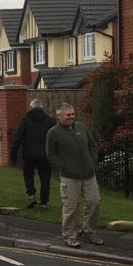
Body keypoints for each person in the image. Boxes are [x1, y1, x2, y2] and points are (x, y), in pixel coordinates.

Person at [46, 103, 103, 249]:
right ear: (59, 116)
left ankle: (88, 231)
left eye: (73, 114)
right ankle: (69, 236)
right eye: (68, 115)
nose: (72, 117)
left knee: (94, 203)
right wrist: (66, 168)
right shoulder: (53, 133)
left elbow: (93, 145)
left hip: (89, 175)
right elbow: (51, 156)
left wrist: (92, 162)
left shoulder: (81, 127)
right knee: (70, 208)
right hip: (70, 178)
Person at [10, 99, 56, 209]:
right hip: (45, 154)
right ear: (42, 108)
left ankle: (31, 195)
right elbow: (55, 137)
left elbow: (17, 137)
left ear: (31, 108)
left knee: (28, 175)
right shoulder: (50, 121)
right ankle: (44, 202)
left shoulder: (25, 120)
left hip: (29, 154)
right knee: (45, 177)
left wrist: (13, 153)